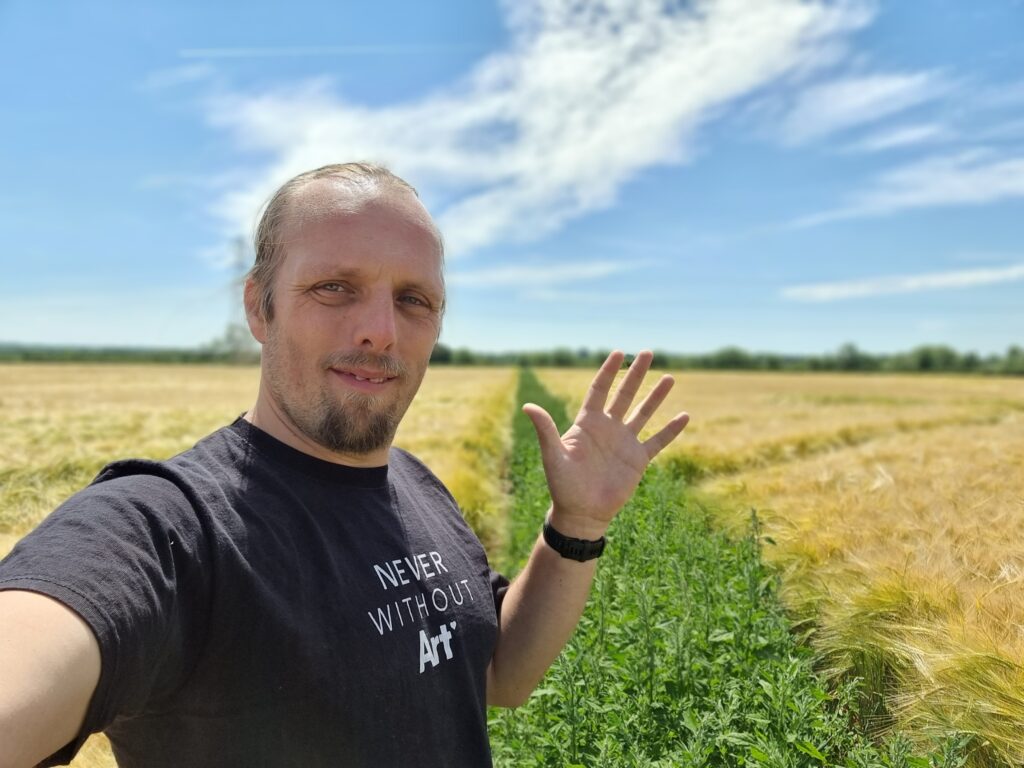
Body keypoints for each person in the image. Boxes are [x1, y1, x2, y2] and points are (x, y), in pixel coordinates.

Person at [0, 163, 689, 768]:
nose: (381, 331)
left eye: (414, 300)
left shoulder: (420, 487)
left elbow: (497, 676)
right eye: (334, 287)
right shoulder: (171, 527)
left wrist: (578, 523)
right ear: (258, 308)